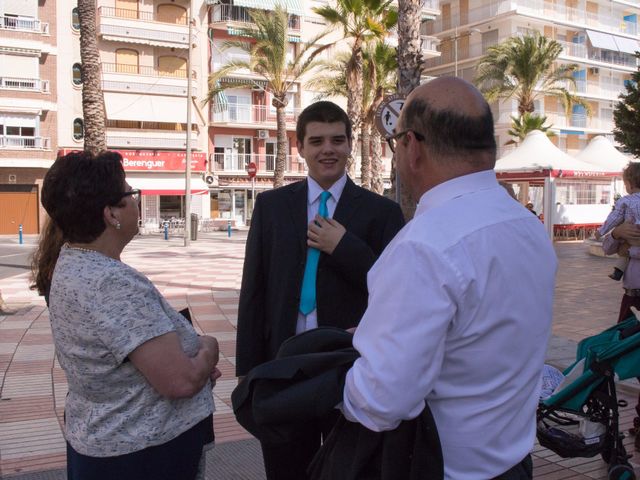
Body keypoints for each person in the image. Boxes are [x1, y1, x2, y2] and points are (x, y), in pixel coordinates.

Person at [341, 77, 557, 479]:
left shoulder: (423, 246)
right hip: (514, 464)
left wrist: (338, 381)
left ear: (413, 148)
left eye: (396, 142)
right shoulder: (529, 227)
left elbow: (382, 400)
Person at [236, 100, 405, 479]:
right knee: (286, 466)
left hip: (350, 363)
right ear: (300, 147)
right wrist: (249, 367)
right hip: (285, 362)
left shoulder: (382, 213)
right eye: (317, 141)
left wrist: (346, 248)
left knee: (353, 467)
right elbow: (254, 290)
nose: (327, 149)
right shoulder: (272, 206)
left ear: (350, 145)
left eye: (337, 140)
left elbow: (397, 291)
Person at [31, 151, 221, 480]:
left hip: (102, 439)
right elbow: (180, 381)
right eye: (131, 194)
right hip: (142, 452)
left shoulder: (70, 262)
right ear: (111, 214)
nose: (135, 202)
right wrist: (207, 347)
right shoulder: (112, 284)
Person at [595, 163, 640, 281]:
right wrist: (617, 233)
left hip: (633, 233)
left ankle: (618, 272)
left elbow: (613, 218)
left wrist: (601, 231)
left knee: (625, 248)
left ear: (630, 185)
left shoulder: (626, 201)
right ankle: (618, 271)